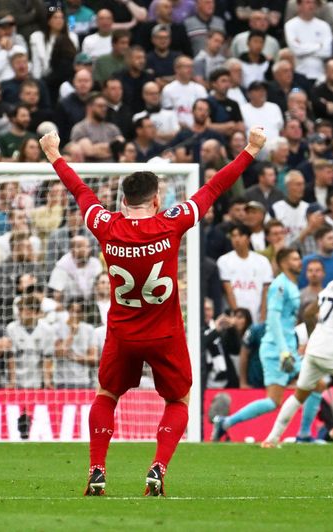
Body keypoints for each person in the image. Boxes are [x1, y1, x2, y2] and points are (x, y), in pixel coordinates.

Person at [40, 125, 265, 496]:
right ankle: (158, 467)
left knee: (106, 395)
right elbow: (213, 188)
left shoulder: (105, 225)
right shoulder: (171, 223)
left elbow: (79, 190)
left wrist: (54, 155)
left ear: (122, 201)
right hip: (165, 334)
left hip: (123, 334)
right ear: (156, 199)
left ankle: (97, 469)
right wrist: (250, 150)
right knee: (178, 399)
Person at [212, 248, 311, 441]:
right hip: (277, 351)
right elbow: (272, 320)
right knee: (274, 401)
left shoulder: (292, 285)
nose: (300, 262)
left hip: (288, 348)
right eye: (295, 259)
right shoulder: (280, 286)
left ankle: (305, 433)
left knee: (317, 383)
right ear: (283, 263)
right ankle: (225, 423)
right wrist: (283, 351)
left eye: (300, 258)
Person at [262, 275, 333, 446]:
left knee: (298, 396)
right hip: (330, 349)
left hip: (314, 348)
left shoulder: (330, 285)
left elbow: (308, 313)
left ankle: (271, 438)